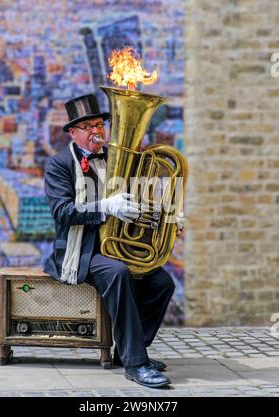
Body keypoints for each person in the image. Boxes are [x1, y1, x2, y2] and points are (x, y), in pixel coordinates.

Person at [43, 94, 185, 389]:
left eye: (99, 123)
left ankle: (129, 351)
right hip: (80, 250)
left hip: (116, 246)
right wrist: (105, 206)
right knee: (118, 274)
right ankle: (136, 364)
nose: (97, 130)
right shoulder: (58, 165)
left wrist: (168, 221)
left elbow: (137, 205)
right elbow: (62, 213)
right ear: (73, 132)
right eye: (87, 126)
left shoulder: (115, 160)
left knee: (163, 283)